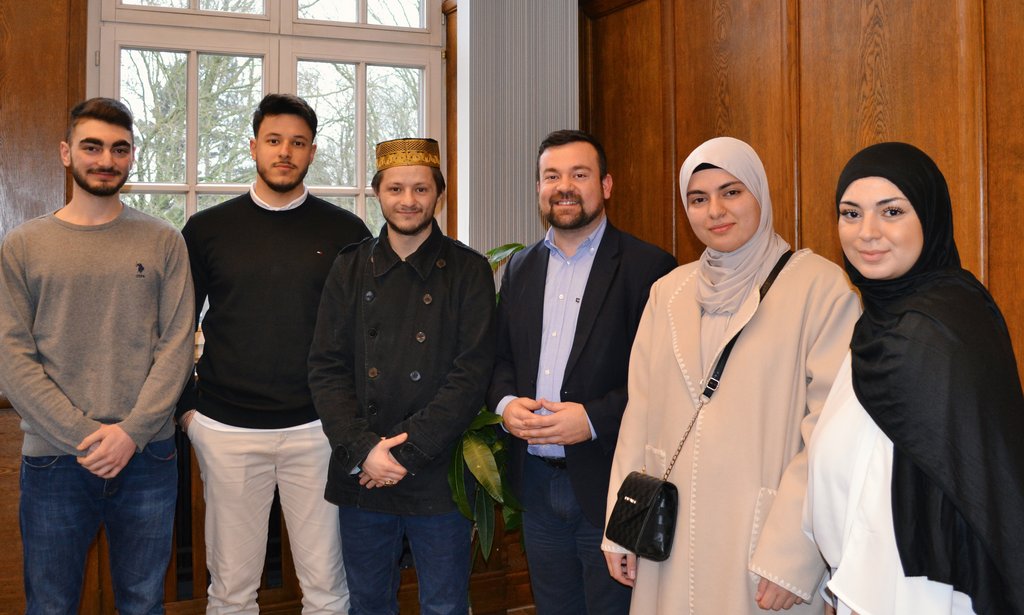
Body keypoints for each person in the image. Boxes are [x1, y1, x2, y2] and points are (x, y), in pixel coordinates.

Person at [602, 136, 860, 614]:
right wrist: (622, 527)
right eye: (698, 199)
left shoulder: (820, 288)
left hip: (761, 547)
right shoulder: (668, 292)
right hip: (667, 540)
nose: (715, 211)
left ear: (759, 192)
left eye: (732, 192)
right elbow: (640, 414)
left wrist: (793, 556)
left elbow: (832, 433)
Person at [804, 142, 1024, 615]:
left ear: (930, 216)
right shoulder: (879, 322)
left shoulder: (936, 328)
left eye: (892, 211)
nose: (867, 232)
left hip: (925, 592)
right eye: (851, 213)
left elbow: (964, 484)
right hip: (868, 585)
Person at [0, 97, 195, 614]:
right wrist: (86, 437)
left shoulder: (163, 240)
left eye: (119, 149)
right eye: (92, 147)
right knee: (51, 605)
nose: (106, 160)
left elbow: (177, 345)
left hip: (148, 454)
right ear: (66, 153)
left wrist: (131, 433)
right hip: (55, 459)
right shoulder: (23, 245)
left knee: (143, 603)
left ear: (132, 156)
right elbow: (12, 357)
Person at [178, 93, 370, 614]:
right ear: (254, 147)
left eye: (298, 143)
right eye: (274, 140)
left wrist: (351, 419)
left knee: (327, 588)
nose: (285, 152)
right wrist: (188, 412)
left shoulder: (346, 232)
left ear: (312, 152)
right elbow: (175, 326)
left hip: (318, 430)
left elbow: (366, 332)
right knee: (231, 590)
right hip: (226, 429)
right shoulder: (206, 229)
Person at [488, 129, 676, 615]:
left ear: (605, 185)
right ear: (539, 188)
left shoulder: (649, 267)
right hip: (535, 483)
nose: (564, 187)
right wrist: (506, 405)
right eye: (552, 176)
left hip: (611, 482)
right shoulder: (521, 267)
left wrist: (591, 418)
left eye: (579, 174)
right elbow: (500, 357)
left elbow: (663, 380)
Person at [307, 137, 495, 615]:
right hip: (363, 472)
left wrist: (403, 455)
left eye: (420, 189)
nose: (408, 200)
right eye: (395, 189)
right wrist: (364, 450)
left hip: (436, 471)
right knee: (368, 603)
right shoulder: (349, 267)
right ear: (378, 193)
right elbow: (326, 368)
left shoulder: (468, 270)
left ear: (439, 195)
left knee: (445, 605)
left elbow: (470, 376)